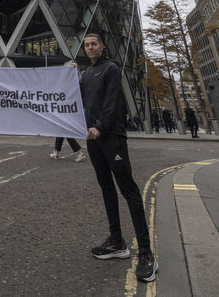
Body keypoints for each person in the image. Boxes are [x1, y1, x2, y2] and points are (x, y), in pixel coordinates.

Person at [79, 33, 158, 283]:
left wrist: (101, 125)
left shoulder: (111, 68)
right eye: (87, 45)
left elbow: (113, 102)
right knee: (106, 189)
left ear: (102, 47)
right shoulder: (84, 74)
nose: (90, 48)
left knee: (129, 191)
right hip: (93, 139)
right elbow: (74, 98)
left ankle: (146, 253)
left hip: (111, 136)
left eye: (94, 44)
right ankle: (117, 242)